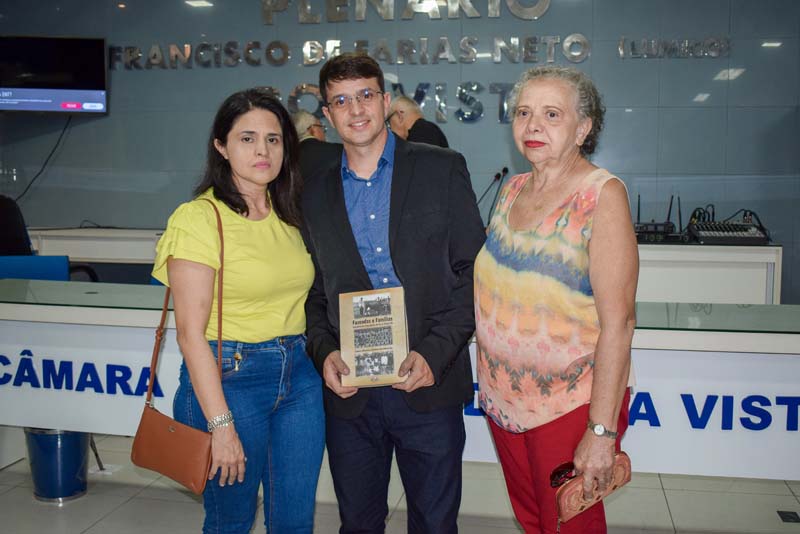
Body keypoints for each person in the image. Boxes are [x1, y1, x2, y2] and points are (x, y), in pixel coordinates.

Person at [302, 53, 485, 533]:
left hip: (428, 380)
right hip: (351, 394)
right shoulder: (313, 191)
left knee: (434, 524)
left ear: (386, 101)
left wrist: (434, 354)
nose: (356, 109)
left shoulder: (441, 168)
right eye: (341, 101)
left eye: (365, 95)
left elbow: (474, 273)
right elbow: (313, 290)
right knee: (358, 524)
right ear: (328, 114)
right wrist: (324, 352)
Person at [474, 66, 638, 534]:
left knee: (569, 525)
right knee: (533, 520)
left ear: (583, 128)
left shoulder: (602, 196)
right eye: (523, 113)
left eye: (551, 114)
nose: (533, 125)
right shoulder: (512, 190)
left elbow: (620, 323)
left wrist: (601, 432)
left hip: (568, 406)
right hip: (505, 401)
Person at [151, 89, 324, 534]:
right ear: (221, 147)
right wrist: (221, 425)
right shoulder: (198, 218)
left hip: (300, 377)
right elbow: (189, 334)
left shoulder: (289, 213)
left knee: (295, 521)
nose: (262, 150)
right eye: (247, 138)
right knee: (231, 521)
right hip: (230, 379)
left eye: (273, 139)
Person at [292, 109, 344, 182]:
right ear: (312, 129)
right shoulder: (338, 151)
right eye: (322, 128)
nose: (324, 132)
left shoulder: (289, 159)